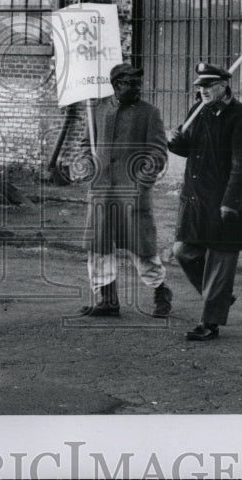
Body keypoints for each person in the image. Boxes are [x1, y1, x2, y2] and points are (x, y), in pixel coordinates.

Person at [166, 62, 242, 342]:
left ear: (223, 85)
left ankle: (209, 321)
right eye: (199, 86)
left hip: (224, 201)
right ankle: (220, 297)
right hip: (196, 198)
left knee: (220, 259)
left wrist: (230, 202)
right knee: (183, 251)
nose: (202, 90)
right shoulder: (198, 111)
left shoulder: (238, 116)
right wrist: (175, 141)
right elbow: (188, 147)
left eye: (208, 85)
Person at [77, 63, 172, 318]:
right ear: (116, 85)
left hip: (132, 193)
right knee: (99, 246)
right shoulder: (96, 109)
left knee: (142, 248)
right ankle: (107, 299)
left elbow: (158, 152)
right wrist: (87, 165)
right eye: (131, 83)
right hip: (101, 191)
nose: (137, 88)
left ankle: (161, 292)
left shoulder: (148, 113)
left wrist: (141, 183)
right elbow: (87, 143)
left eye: (138, 83)